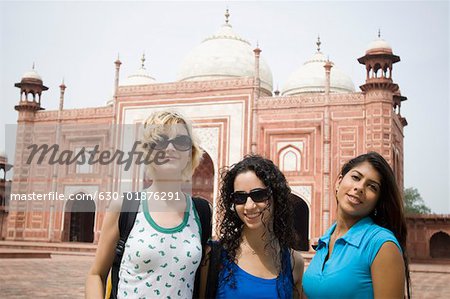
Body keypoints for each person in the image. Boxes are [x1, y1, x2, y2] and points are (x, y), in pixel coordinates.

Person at [86, 110, 211, 299]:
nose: (170, 148)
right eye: (160, 141)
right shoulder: (125, 206)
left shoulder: (202, 212)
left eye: (181, 142)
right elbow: (96, 275)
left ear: (190, 152)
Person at [302, 152, 411, 299]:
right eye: (355, 177)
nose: (359, 187)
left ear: (377, 201)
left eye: (372, 187)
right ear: (338, 182)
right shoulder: (326, 240)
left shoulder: (380, 244)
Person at [200, 155, 304, 299]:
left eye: (259, 195)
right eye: (240, 198)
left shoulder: (293, 262)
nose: (249, 206)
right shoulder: (215, 256)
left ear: (276, 196)